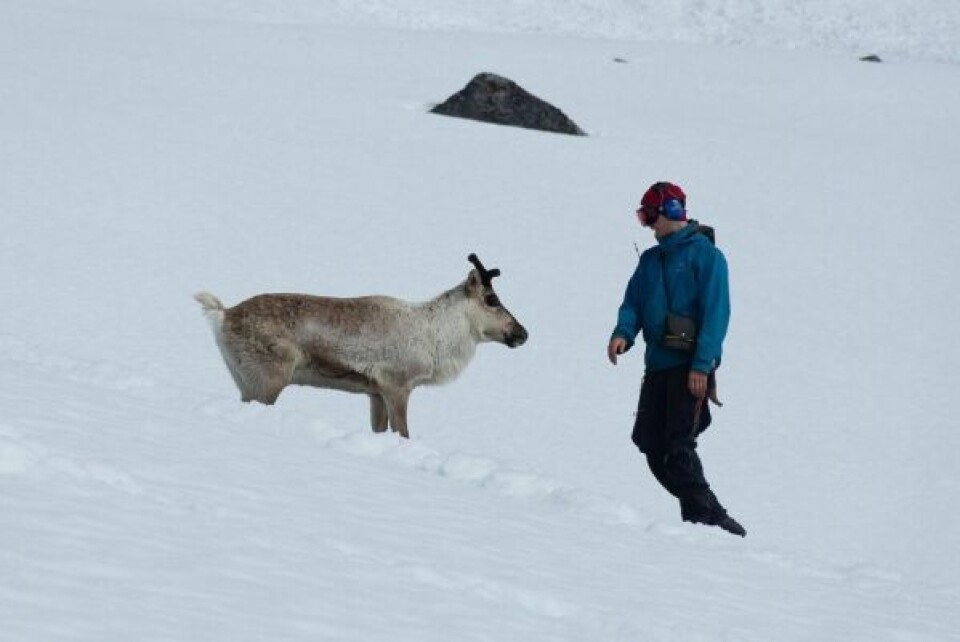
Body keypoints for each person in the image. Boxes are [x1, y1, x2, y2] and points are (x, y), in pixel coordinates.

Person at [607, 181, 746, 537]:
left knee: (677, 445)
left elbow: (717, 314)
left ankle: (705, 522)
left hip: (689, 367)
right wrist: (623, 333)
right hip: (657, 366)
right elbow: (634, 303)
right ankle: (710, 514)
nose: (648, 225)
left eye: (650, 216)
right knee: (650, 444)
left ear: (671, 211)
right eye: (643, 217)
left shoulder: (708, 257)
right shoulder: (650, 261)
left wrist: (703, 365)